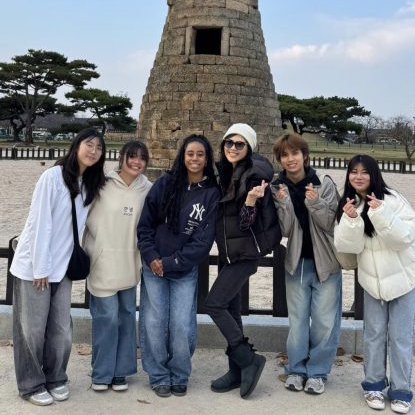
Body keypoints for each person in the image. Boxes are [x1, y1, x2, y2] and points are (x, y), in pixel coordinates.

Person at [10, 128, 106, 406]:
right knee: (31, 329)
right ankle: (30, 384)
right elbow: (41, 223)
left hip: (63, 268)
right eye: (89, 144)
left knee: (61, 329)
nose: (94, 151)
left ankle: (56, 377)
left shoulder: (89, 183)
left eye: (99, 148)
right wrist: (40, 267)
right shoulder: (51, 177)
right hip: (36, 267)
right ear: (76, 145)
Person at [334, 155, 415, 414]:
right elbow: (348, 248)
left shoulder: (392, 199)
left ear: (374, 175)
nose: (358, 176)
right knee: (373, 334)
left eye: (364, 172)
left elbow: (405, 237)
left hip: (403, 278)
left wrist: (381, 212)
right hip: (373, 280)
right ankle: (373, 384)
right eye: (353, 171)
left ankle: (401, 390)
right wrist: (350, 220)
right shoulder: (348, 202)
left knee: (400, 336)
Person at [137, 134, 219, 398]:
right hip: (154, 267)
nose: (194, 159)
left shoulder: (210, 194)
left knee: (182, 324)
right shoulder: (164, 184)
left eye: (200, 154)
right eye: (190, 153)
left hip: (182, 269)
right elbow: (145, 225)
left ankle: (180, 373)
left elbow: (203, 240)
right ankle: (159, 374)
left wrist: (172, 262)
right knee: (154, 321)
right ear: (183, 156)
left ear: (207, 159)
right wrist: (151, 257)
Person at [204, 123, 281, 399]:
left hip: (244, 253)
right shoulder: (225, 172)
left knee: (213, 304)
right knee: (232, 312)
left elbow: (248, 223)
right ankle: (236, 372)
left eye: (240, 144)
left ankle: (249, 360)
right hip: (228, 252)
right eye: (229, 143)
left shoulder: (253, 176)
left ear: (249, 148)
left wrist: (249, 201)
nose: (233, 148)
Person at [270, 133, 341, 395]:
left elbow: (331, 224)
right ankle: (297, 369)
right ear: (280, 159)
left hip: (326, 262)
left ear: (304, 154)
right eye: (285, 155)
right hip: (297, 261)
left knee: (324, 321)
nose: (290, 159)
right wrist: (285, 201)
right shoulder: (278, 188)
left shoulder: (324, 183)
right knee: (298, 321)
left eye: (295, 153)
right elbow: (285, 230)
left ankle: (318, 372)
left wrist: (315, 202)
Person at [83, 140, 152, 392]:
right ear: (121, 157)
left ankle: (120, 371)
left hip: (130, 262)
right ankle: (101, 372)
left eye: (142, 158)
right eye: (131, 156)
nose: (136, 162)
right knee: (106, 319)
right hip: (102, 262)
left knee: (125, 317)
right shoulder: (100, 185)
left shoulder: (148, 189)